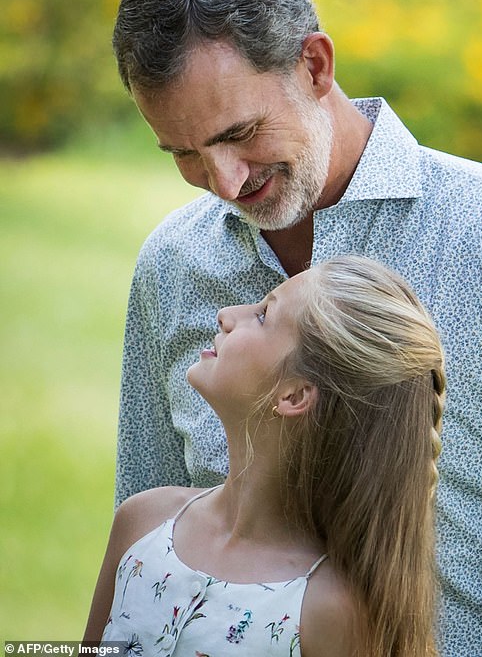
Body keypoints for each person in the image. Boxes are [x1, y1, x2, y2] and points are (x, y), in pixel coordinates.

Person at [111, 0, 482, 655]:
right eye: (186, 155)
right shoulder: (170, 266)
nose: (226, 183)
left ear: (315, 65)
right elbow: (146, 563)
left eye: (241, 133)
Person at [84, 256, 445, 656]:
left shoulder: (327, 612)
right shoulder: (142, 523)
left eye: (262, 315)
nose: (226, 315)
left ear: (293, 395)